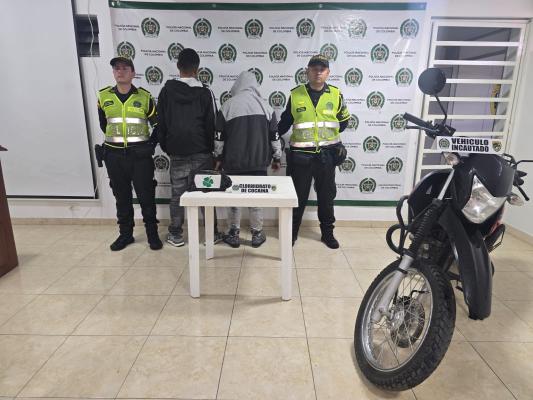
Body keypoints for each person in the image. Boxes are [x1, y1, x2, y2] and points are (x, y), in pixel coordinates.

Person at [278, 54, 350, 249]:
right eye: (314, 68)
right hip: (301, 157)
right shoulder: (295, 95)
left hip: (327, 156)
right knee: (297, 198)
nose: (318, 72)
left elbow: (344, 122)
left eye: (322, 69)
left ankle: (328, 234)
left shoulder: (336, 94)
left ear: (328, 73)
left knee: (326, 198)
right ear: (307, 72)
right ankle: (292, 234)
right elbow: (284, 123)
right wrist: (270, 135)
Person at [157, 48, 223, 247]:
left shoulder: (166, 91)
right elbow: (213, 125)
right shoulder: (205, 92)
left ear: (178, 66)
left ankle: (176, 234)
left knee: (177, 195)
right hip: (202, 153)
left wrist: (168, 147)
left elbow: (161, 124)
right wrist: (214, 153)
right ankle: (211, 235)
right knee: (205, 194)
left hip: (177, 152)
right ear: (198, 69)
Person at [97, 56, 162, 251]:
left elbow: (157, 125)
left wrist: (150, 145)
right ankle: (125, 235)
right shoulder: (103, 97)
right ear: (113, 72)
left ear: (133, 73)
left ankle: (152, 235)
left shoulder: (145, 97)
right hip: (114, 156)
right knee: (121, 197)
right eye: (117, 68)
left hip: (140, 157)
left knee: (146, 197)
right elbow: (104, 125)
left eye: (125, 68)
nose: (120, 71)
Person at [214, 71, 282, 248]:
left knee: (233, 200)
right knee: (256, 199)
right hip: (258, 163)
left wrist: (218, 158)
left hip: (233, 163)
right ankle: (257, 234)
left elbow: (219, 138)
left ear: (237, 85)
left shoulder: (227, 106)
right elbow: (274, 137)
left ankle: (233, 234)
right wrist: (277, 157)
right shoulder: (266, 107)